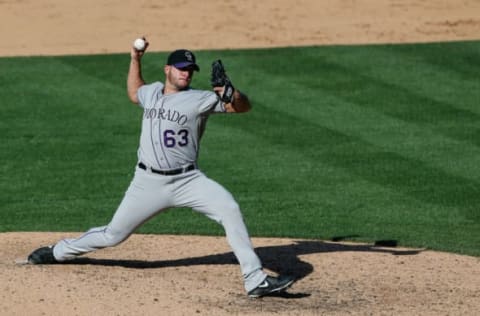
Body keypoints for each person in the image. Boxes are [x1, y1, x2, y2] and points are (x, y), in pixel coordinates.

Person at [28, 38, 295, 298]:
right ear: (168, 69)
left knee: (229, 208)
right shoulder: (153, 92)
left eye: (190, 70)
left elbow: (242, 107)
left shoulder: (201, 99)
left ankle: (255, 280)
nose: (186, 74)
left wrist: (231, 92)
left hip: (189, 180)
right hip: (148, 182)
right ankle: (58, 252)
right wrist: (135, 59)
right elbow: (135, 92)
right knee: (113, 235)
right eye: (181, 68)